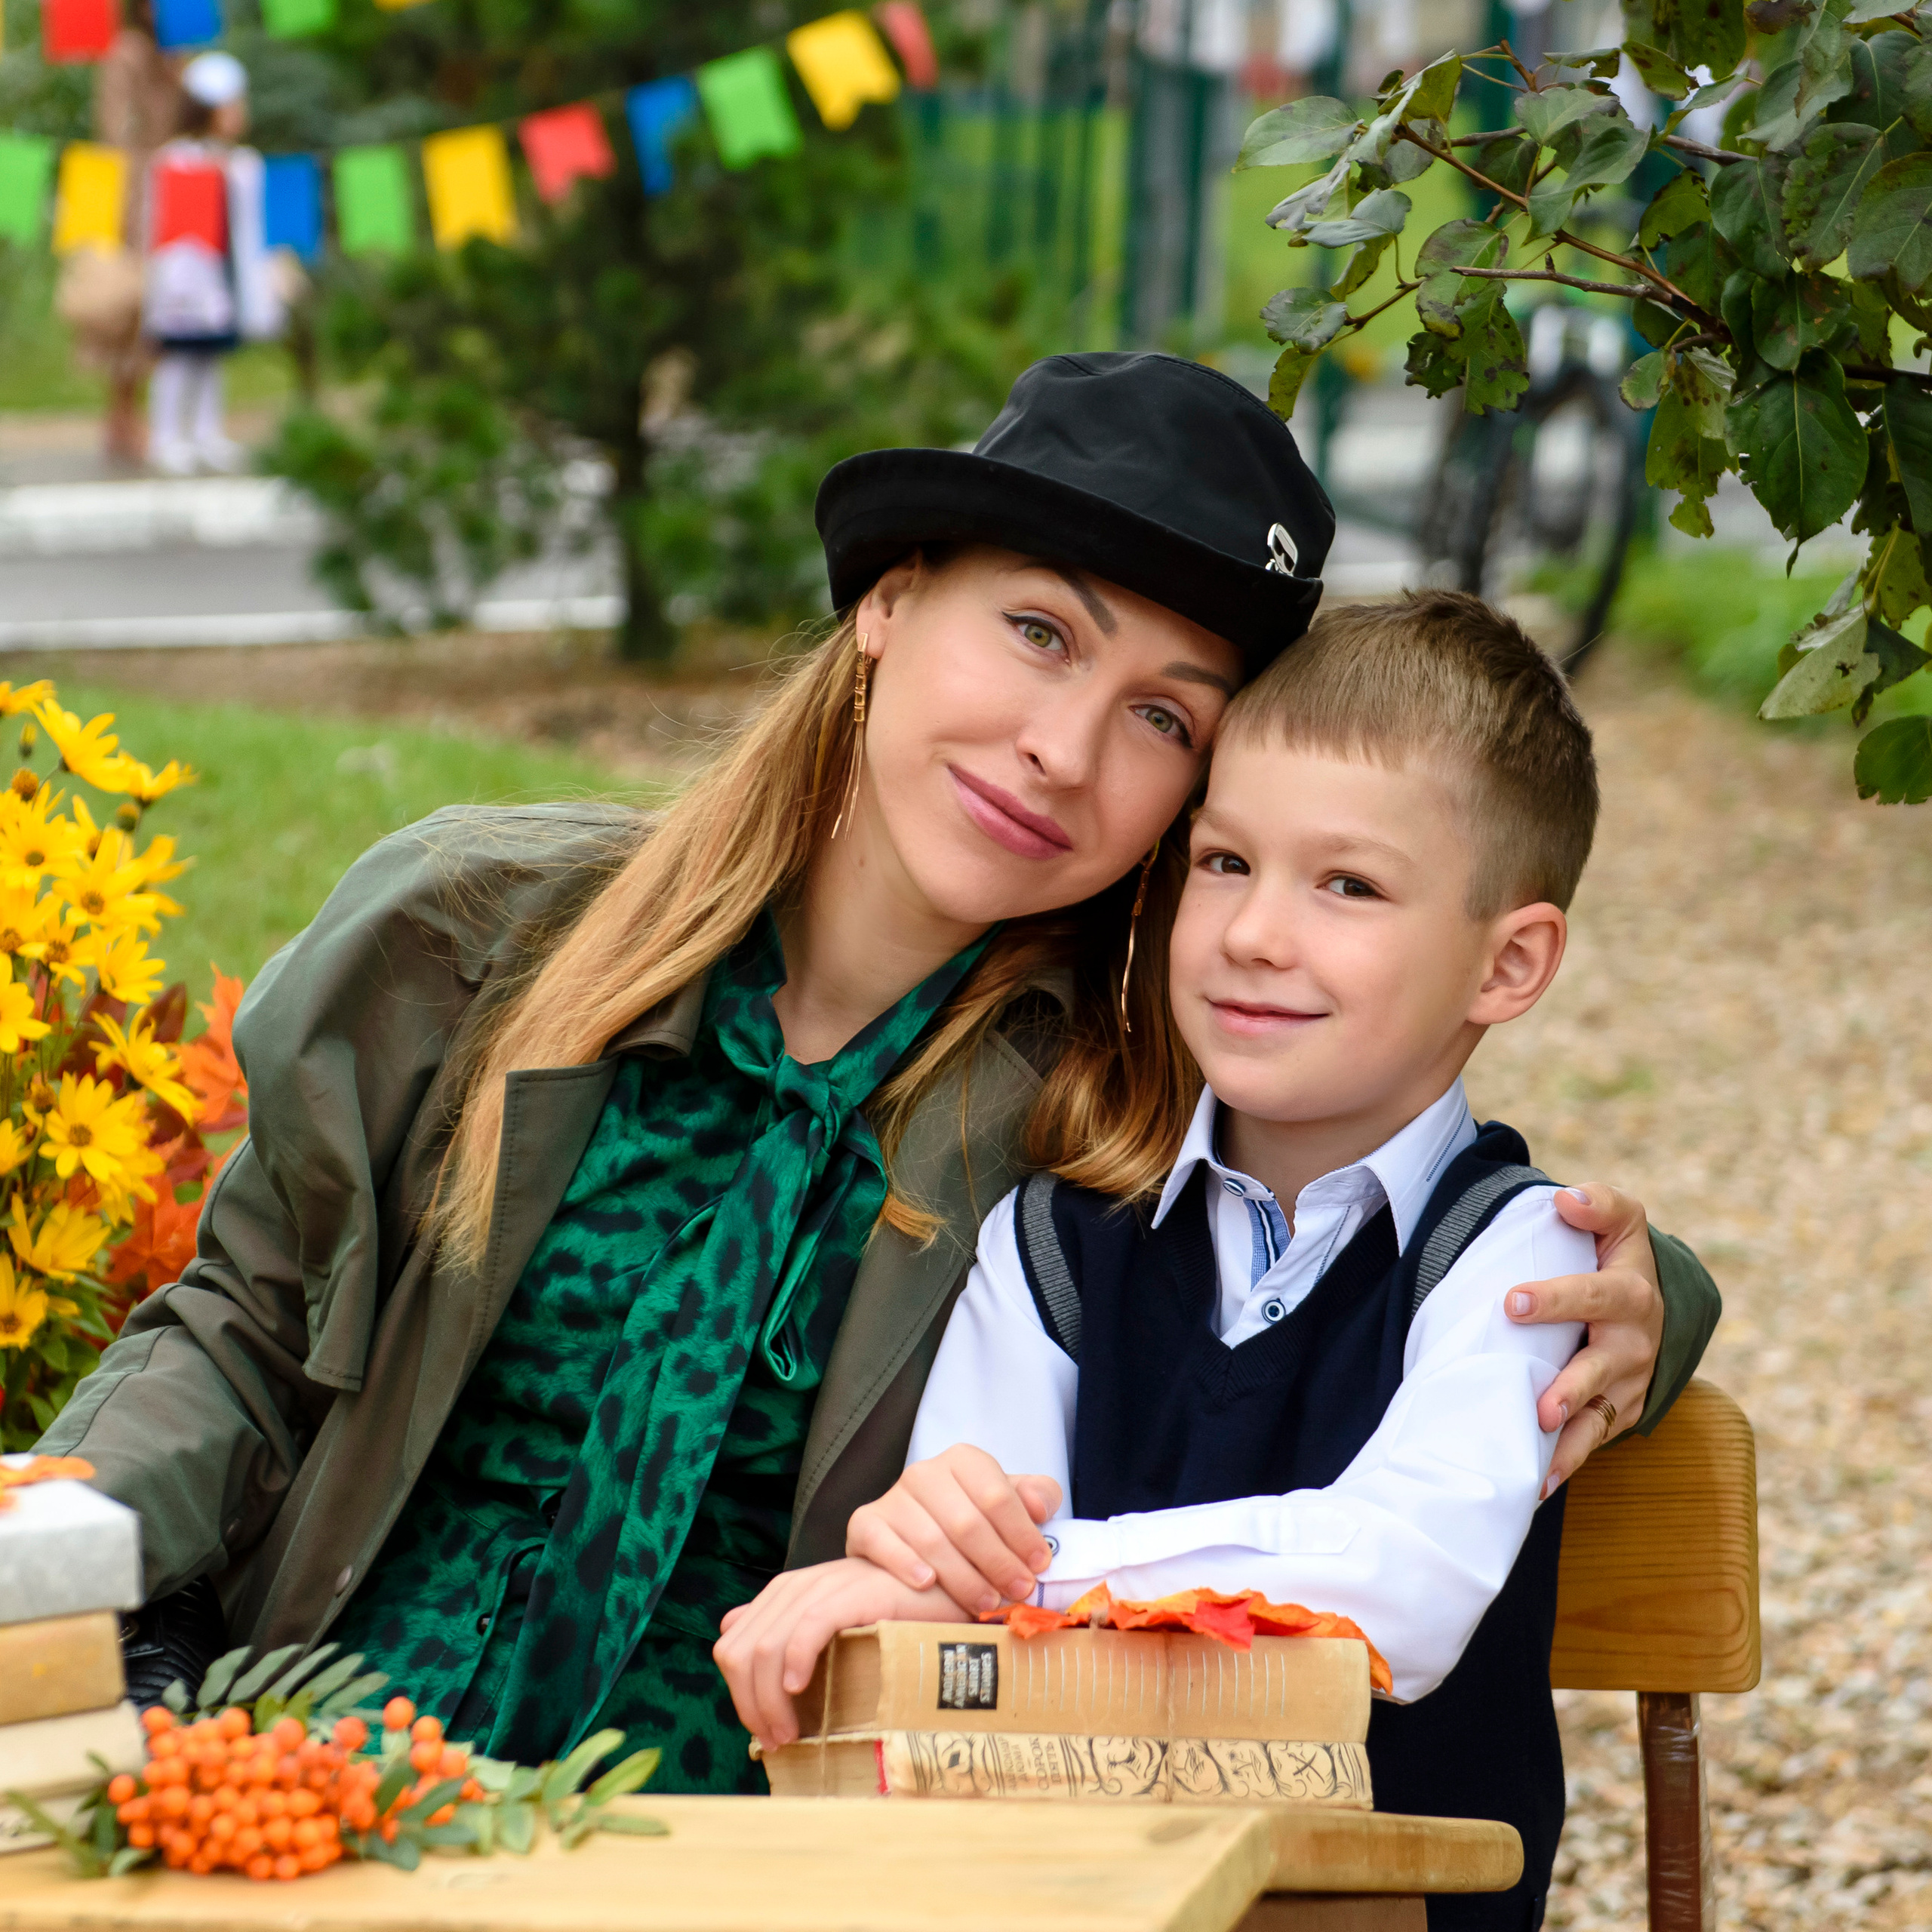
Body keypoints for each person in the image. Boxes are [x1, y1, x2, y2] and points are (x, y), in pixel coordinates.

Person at [37, 352, 1716, 1795]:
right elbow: (243, 1336)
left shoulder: (1105, 1120)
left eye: (1163, 718)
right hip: (314, 1756)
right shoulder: (471, 935)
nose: (1062, 748)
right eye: (1038, 633)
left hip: (741, 1830)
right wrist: (45, 1552)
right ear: (888, 600)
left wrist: (1648, 1296)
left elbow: (1380, 1208)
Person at [716, 589, 1641, 1923]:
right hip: (1073, 1899)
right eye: (1224, 863)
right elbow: (949, 1561)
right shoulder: (1055, 1241)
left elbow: (1395, 1587)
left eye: (1349, 885)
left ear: (1509, 964)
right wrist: (930, 1566)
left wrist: (1027, 1583)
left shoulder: (1521, 1259)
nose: (1257, 933)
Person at [140, 52, 282, 475]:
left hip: (226, 277)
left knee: (212, 357)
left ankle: (206, 433)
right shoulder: (176, 160)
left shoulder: (242, 164)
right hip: (185, 281)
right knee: (180, 357)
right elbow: (165, 230)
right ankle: (166, 436)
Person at [65, 0, 183, 467]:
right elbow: (115, 129)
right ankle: (121, 419)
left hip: (167, 195)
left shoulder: (173, 58)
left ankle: (128, 418)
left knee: (153, 314)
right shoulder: (126, 53)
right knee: (122, 311)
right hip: (127, 202)